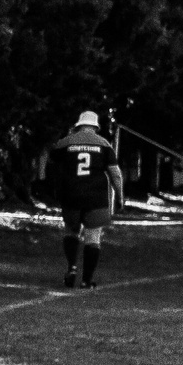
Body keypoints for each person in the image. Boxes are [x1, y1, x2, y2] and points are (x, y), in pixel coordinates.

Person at [55, 109, 124, 290]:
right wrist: (120, 197)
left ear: (78, 126)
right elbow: (115, 174)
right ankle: (87, 280)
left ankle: (72, 267)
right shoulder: (103, 144)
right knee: (93, 237)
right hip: (96, 197)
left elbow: (54, 166)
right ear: (95, 127)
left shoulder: (65, 143)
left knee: (71, 232)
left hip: (71, 194)